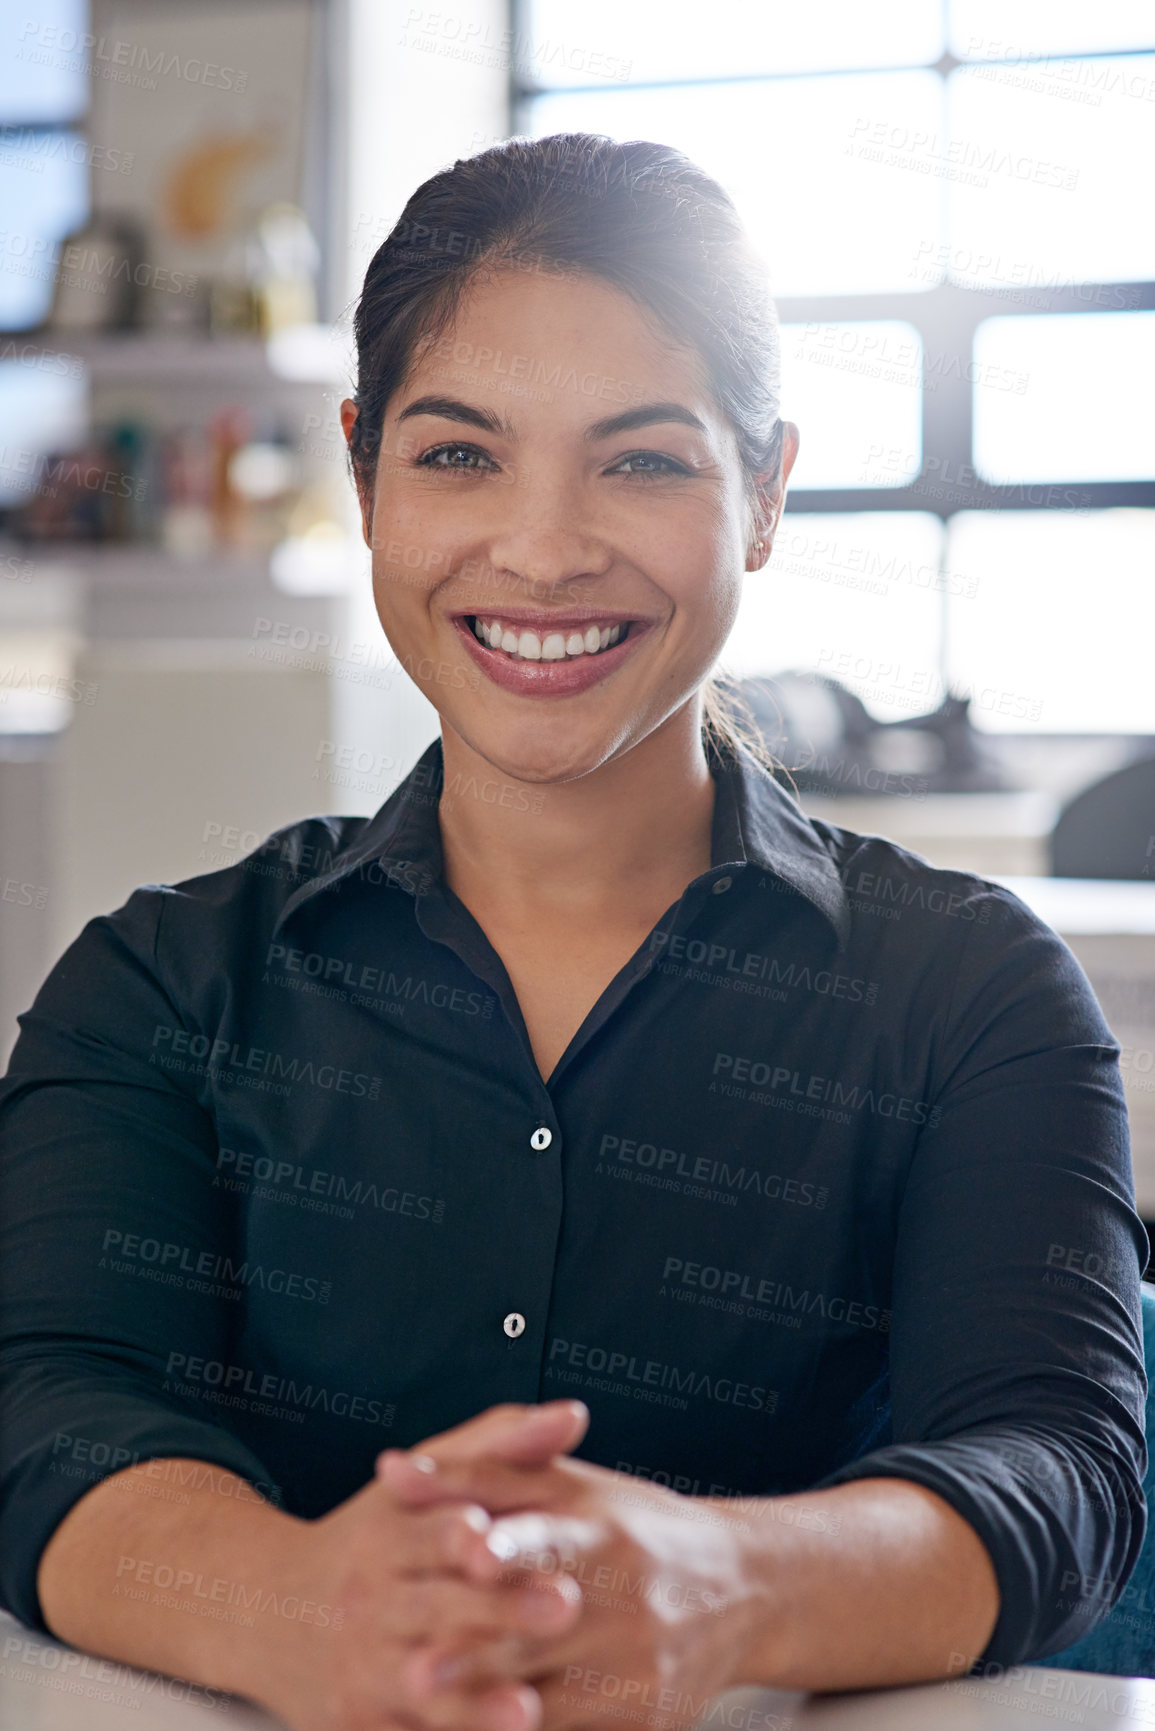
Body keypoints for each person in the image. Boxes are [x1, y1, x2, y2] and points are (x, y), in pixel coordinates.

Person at [0, 132, 1148, 1731]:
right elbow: (47, 1405)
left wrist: (725, 1590)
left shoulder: (971, 992)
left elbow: (1058, 1464)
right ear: (365, 473)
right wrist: (303, 1612)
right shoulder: (155, 988)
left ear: (764, 495)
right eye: (460, 454)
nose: (541, 550)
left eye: (644, 459)